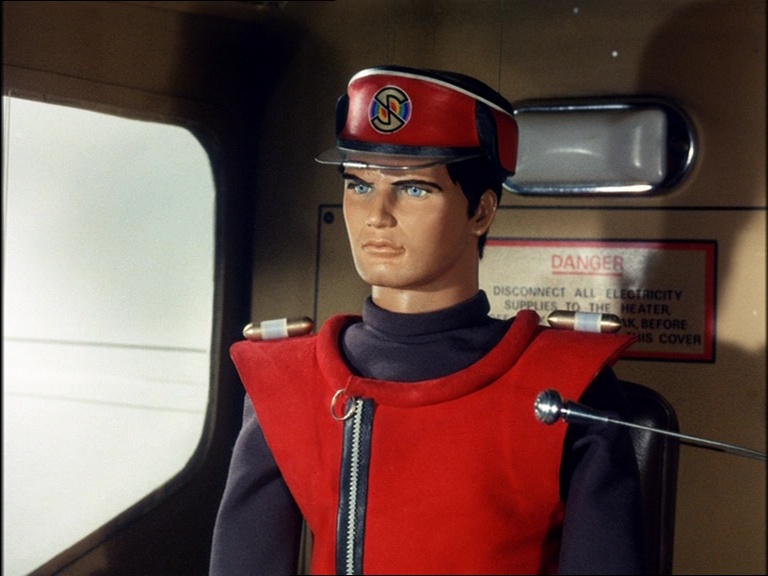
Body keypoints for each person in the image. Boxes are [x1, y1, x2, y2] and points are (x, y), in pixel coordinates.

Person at [209, 65, 646, 575]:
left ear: (480, 212)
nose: (378, 214)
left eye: (414, 189)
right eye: (359, 184)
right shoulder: (282, 380)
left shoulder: (569, 382)